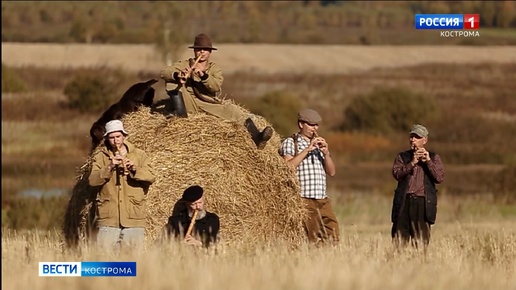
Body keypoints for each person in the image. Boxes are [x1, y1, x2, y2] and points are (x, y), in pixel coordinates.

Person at [160, 33, 273, 149]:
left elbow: (216, 87)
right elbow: (164, 72)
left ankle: (257, 137)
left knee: (235, 112)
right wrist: (177, 75)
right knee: (171, 82)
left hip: (207, 102)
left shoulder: (215, 69)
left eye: (205, 49)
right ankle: (180, 117)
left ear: (210, 52)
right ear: (194, 51)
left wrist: (204, 77)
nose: (202, 52)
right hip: (188, 101)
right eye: (199, 49)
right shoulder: (184, 64)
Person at [88, 119, 156, 252]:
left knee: (132, 259)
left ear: (124, 136)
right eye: (112, 137)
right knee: (105, 258)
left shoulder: (139, 155)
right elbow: (92, 181)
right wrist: (110, 166)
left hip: (133, 216)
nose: (116, 141)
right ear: (107, 138)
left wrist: (135, 169)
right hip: (108, 218)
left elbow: (151, 177)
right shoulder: (101, 157)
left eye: (118, 136)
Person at [279, 109, 340, 245]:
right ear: (301, 124)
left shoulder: (319, 144)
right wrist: (307, 150)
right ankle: (312, 261)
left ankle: (323, 260)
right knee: (311, 238)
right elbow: (287, 168)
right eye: (311, 125)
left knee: (333, 236)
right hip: (305, 198)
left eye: (316, 125)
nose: (315, 128)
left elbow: (332, 172)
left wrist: (326, 153)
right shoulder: (291, 142)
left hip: (322, 198)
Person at [391, 124, 445, 248]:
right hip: (404, 203)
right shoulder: (402, 157)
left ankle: (420, 265)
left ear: (424, 140)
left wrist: (428, 162)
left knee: (421, 244)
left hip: (422, 204)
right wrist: (412, 163)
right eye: (412, 137)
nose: (413, 140)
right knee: (399, 244)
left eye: (417, 137)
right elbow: (397, 174)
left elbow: (439, 178)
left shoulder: (434, 157)